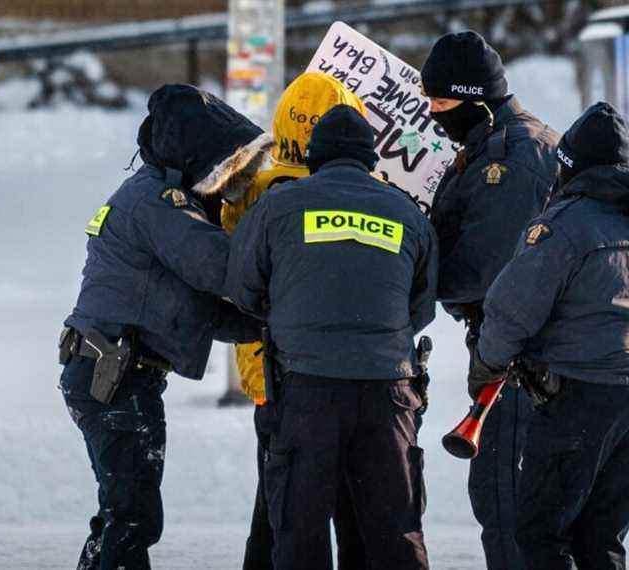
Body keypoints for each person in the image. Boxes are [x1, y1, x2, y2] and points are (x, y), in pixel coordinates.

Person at [58, 84, 268, 570]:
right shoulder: (158, 203)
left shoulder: (159, 198)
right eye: (228, 166)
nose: (234, 178)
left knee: (122, 513)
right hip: (112, 374)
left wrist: (270, 324)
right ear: (200, 156)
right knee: (132, 518)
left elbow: (204, 311)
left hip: (110, 370)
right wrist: (287, 264)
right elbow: (219, 268)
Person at [225, 104, 437, 570]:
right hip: (389, 395)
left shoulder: (277, 206)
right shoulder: (407, 212)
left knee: (299, 530)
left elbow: (241, 289)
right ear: (370, 159)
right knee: (395, 532)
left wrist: (293, 315)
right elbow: (420, 310)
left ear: (313, 158)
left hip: (305, 391)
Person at [469, 102, 629, 570]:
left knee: (540, 535)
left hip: (581, 400)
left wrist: (488, 364)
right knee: (601, 541)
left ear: (568, 166)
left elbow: (509, 311)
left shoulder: (563, 227)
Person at [218, 71, 370, 570]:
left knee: (280, 511)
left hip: (269, 373)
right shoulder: (366, 195)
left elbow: (234, 278)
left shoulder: (251, 189)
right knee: (354, 511)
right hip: (357, 376)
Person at [420, 30, 559, 569]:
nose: (433, 113)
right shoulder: (508, 141)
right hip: (522, 349)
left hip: (522, 356)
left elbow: (485, 269)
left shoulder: (512, 158)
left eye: (443, 103)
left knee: (505, 502)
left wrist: (411, 275)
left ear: (475, 99)